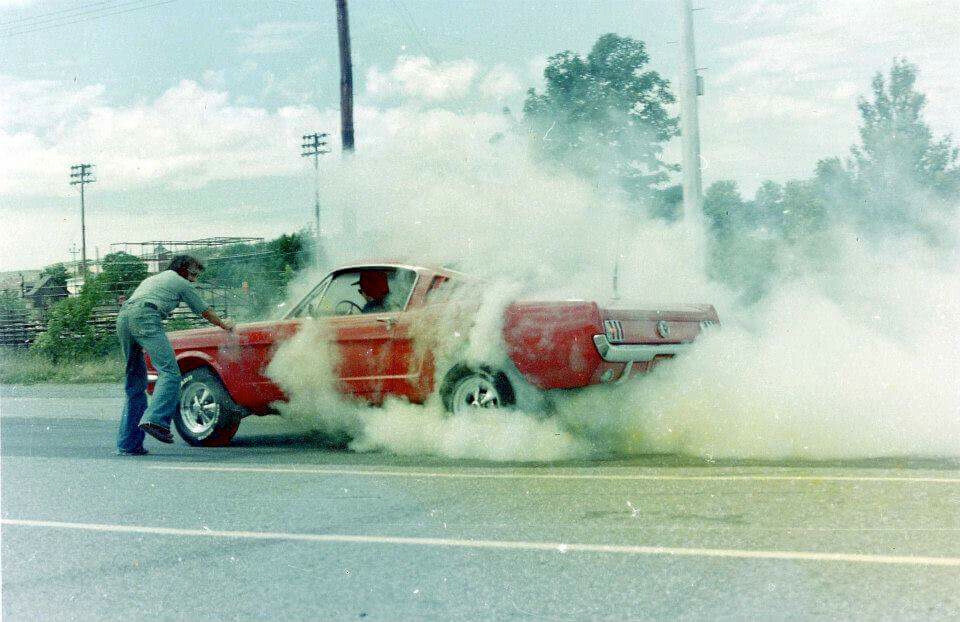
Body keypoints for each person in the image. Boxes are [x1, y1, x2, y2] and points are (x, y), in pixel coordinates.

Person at [115, 255, 234, 455]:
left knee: (135, 384)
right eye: (193, 273)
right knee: (170, 372)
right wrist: (224, 324)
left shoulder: (154, 279)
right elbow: (204, 310)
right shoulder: (180, 282)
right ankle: (156, 420)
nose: (194, 279)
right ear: (183, 269)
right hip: (145, 316)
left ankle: (129, 444)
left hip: (124, 318)